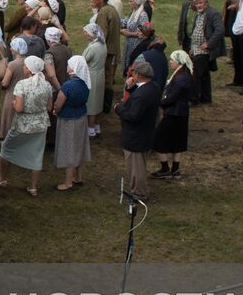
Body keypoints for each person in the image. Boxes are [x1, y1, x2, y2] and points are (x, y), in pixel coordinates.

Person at [0, 55, 51, 196]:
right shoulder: (47, 85)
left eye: (25, 66)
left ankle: (2, 178)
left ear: (30, 69)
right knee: (37, 156)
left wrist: (14, 103)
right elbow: (49, 107)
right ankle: (33, 187)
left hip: (23, 124)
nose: (23, 67)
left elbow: (19, 108)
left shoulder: (22, 85)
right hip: (41, 125)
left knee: (6, 148)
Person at [115, 59, 162, 201]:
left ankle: (139, 193)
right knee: (139, 165)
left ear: (139, 75)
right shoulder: (153, 87)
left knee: (136, 168)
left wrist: (118, 109)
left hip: (135, 135)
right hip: (145, 133)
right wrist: (130, 89)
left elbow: (133, 115)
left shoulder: (142, 95)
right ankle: (139, 190)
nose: (131, 75)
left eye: (133, 73)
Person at [52, 55, 91, 192]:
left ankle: (68, 182)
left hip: (68, 120)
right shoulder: (85, 82)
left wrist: (55, 110)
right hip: (81, 118)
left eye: (69, 65)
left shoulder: (68, 86)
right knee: (80, 147)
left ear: (73, 68)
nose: (67, 67)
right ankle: (79, 177)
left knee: (69, 150)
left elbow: (58, 104)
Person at [152, 51, 193, 179]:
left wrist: (159, 102)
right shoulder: (183, 75)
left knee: (157, 138)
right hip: (181, 113)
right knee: (178, 141)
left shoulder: (181, 78)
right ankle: (175, 169)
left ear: (179, 62)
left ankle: (165, 168)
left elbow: (172, 97)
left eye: (172, 60)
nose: (170, 62)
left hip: (174, 113)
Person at [186, 0, 224, 104]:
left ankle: (193, 99)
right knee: (204, 74)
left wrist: (209, 44)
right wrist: (192, 47)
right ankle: (206, 98)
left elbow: (220, 30)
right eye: (196, 3)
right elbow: (196, 30)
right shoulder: (198, 14)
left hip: (204, 50)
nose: (198, 5)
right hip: (196, 48)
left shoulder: (213, 13)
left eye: (200, 3)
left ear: (206, 3)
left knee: (196, 74)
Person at [92, 0, 122, 109]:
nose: (93, 0)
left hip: (105, 49)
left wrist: (95, 48)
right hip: (112, 48)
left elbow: (102, 33)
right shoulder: (112, 9)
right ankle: (106, 104)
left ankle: (103, 104)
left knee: (102, 76)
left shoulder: (104, 12)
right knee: (108, 75)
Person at [82, 23, 107, 138]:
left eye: (86, 32)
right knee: (98, 101)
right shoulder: (102, 44)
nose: (84, 34)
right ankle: (97, 126)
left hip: (92, 76)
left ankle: (90, 129)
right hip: (100, 74)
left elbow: (82, 61)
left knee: (91, 104)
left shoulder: (92, 47)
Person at [120, 0, 151, 70]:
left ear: (137, 2)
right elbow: (126, 22)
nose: (128, 3)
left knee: (133, 62)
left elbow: (143, 33)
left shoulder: (143, 15)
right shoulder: (133, 12)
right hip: (129, 42)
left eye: (131, 1)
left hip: (136, 44)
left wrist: (128, 33)